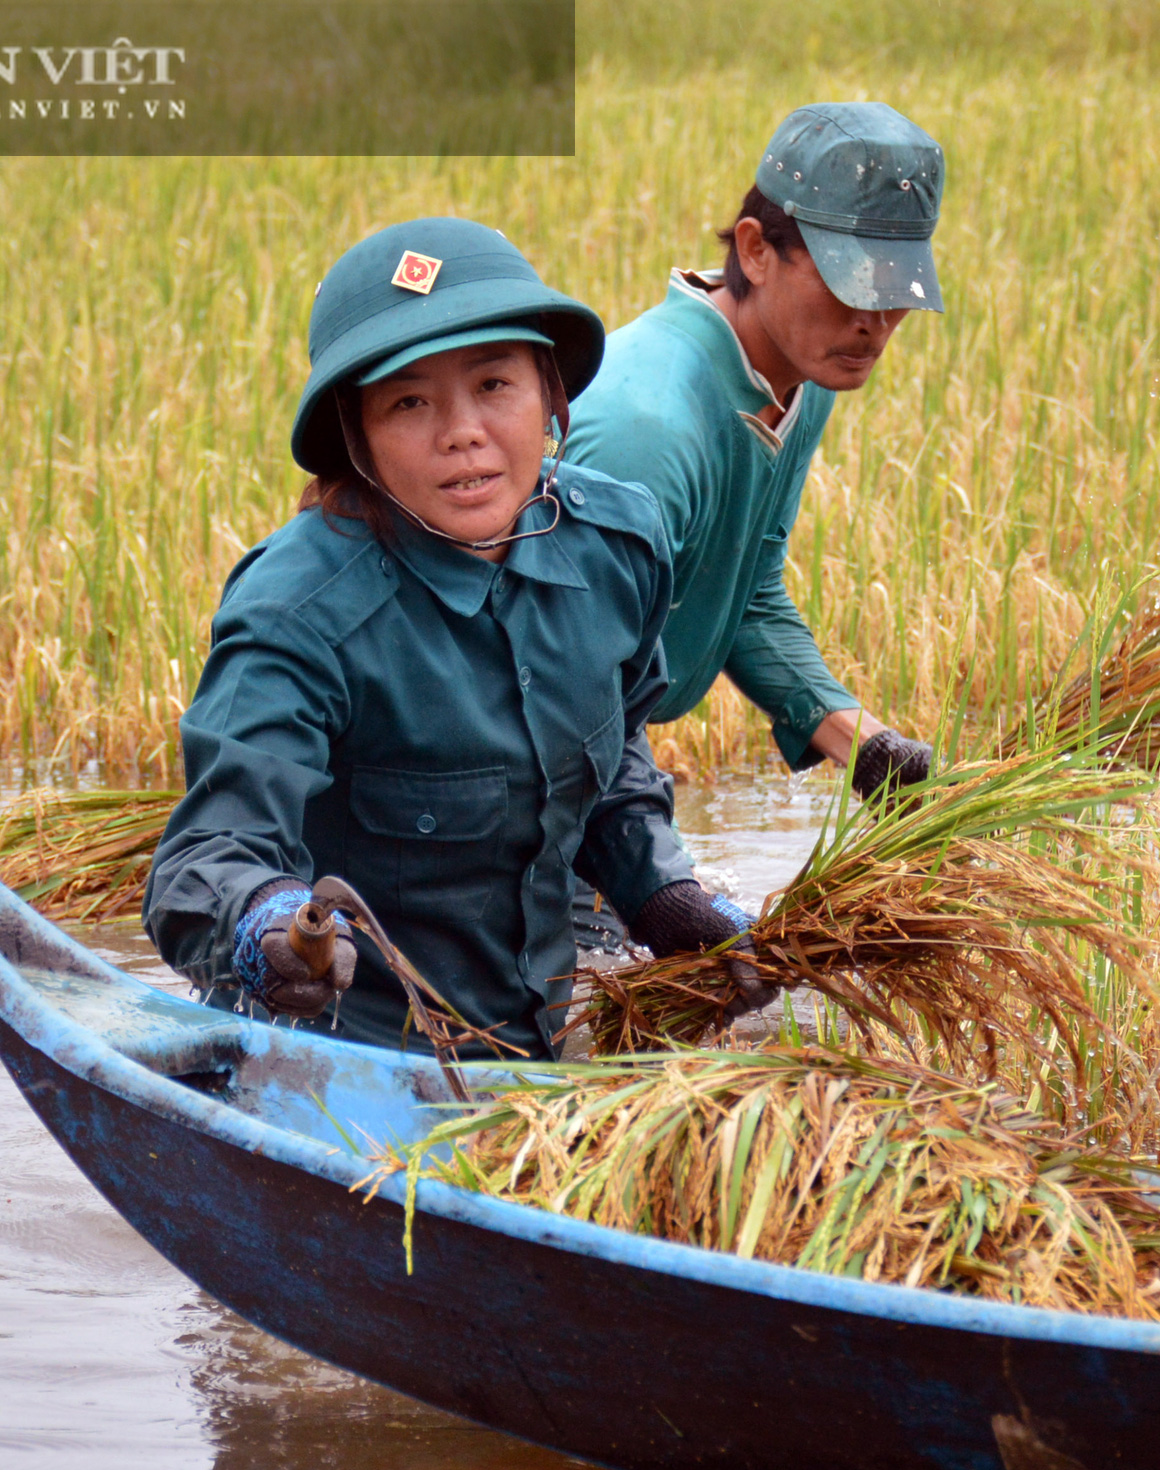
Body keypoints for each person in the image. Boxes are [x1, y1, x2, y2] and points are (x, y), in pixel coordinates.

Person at [143, 218, 770, 1060]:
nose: (462, 432)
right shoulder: (299, 611)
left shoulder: (620, 545)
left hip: (543, 1042)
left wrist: (663, 891)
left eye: (494, 385)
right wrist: (268, 928)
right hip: (349, 1059)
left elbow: (614, 754)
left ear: (552, 394)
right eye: (409, 401)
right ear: (354, 437)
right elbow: (208, 856)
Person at [562, 102, 946, 949]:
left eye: (895, 297)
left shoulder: (796, 381)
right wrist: (661, 888)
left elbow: (743, 587)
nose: (875, 326)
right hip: (514, 794)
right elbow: (572, 691)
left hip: (584, 774)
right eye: (852, 287)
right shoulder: (649, 429)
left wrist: (860, 739)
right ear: (755, 249)